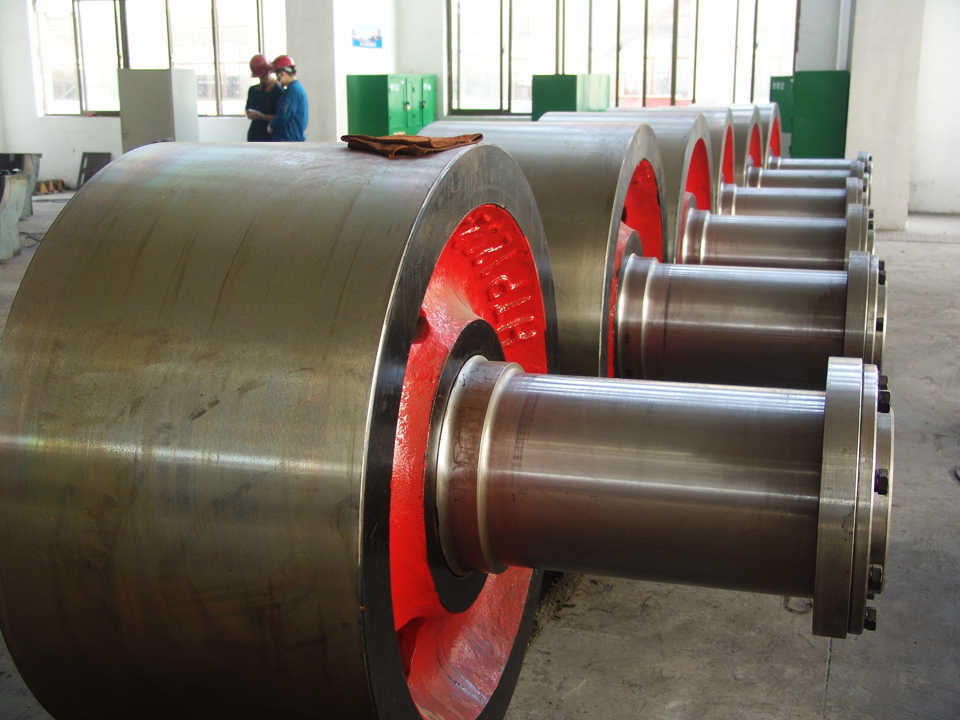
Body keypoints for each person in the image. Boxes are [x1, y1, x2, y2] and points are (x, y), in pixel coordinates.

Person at [267, 55, 308, 142]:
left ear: (282, 74)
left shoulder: (293, 90)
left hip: (287, 140)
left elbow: (284, 114)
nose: (277, 79)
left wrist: (272, 125)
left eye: (277, 75)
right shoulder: (294, 89)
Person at [244, 54, 283, 142]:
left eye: (262, 75)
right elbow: (248, 108)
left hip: (270, 136)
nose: (261, 78)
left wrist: (261, 117)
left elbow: (280, 118)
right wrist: (250, 113)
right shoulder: (253, 91)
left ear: (269, 71)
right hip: (254, 135)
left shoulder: (279, 92)